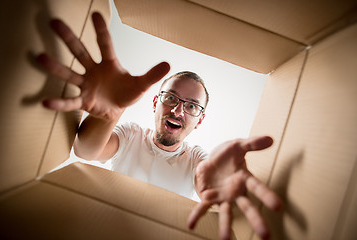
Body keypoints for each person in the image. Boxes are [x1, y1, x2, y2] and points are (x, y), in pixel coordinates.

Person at [37, 12, 282, 240]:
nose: (177, 110)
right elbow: (86, 151)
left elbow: (208, 179)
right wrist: (109, 114)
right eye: (171, 98)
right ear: (156, 103)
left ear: (200, 121)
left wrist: (221, 186)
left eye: (192, 106)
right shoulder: (131, 134)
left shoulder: (196, 158)